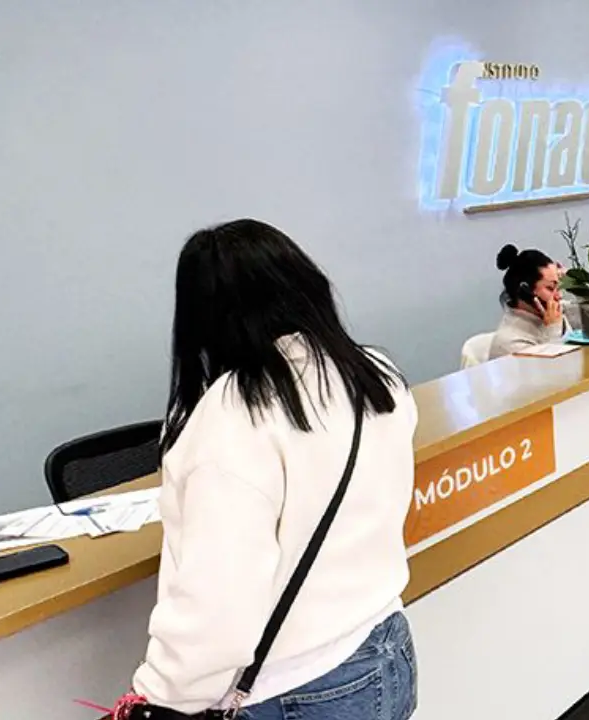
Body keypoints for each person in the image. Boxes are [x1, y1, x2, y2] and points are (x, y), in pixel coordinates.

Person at [118, 220, 419, 719]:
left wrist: (155, 698)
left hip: (299, 688)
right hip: (388, 647)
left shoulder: (236, 414)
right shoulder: (375, 373)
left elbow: (219, 605)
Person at [489, 244, 575, 359]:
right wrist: (553, 330)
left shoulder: (553, 313)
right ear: (526, 291)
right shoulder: (510, 342)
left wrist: (579, 280)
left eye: (558, 287)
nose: (558, 296)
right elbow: (553, 367)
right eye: (550, 288)